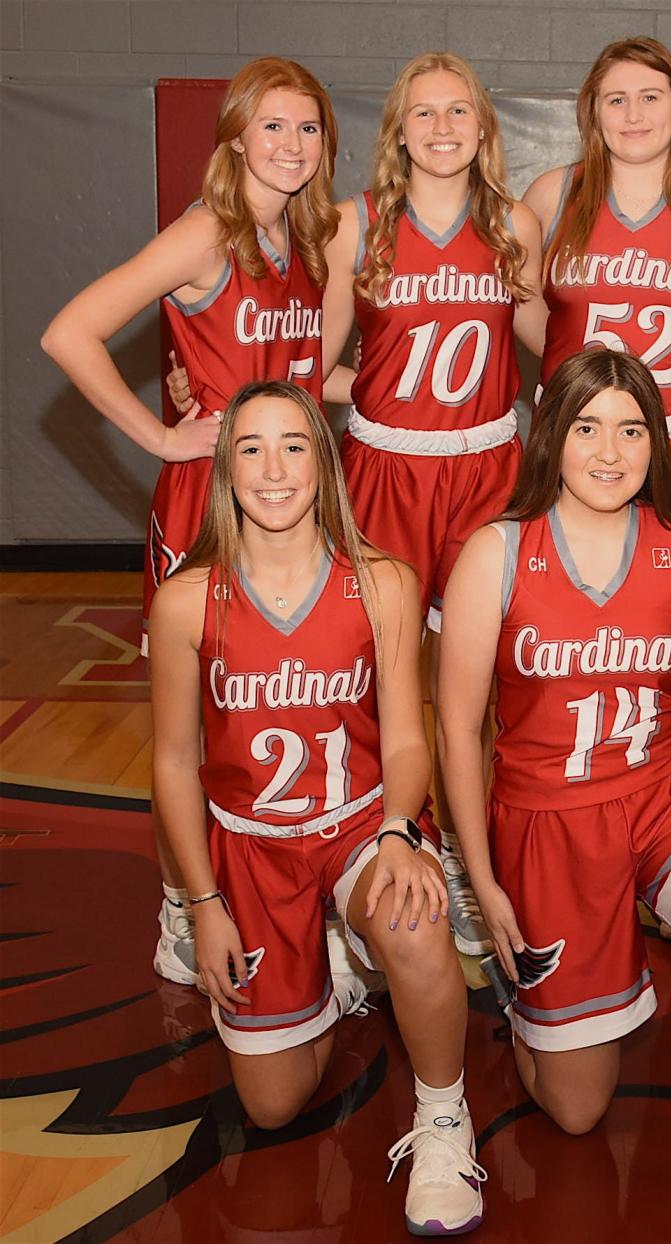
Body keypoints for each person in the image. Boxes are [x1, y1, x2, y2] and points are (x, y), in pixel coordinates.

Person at [437, 349, 671, 1239]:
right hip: (547, 818)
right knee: (575, 1111)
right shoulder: (497, 552)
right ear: (551, 436)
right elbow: (456, 730)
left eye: (632, 429)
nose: (610, 450)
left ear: (657, 442)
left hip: (668, 790)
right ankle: (531, 1006)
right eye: (588, 426)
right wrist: (480, 884)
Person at [148, 379, 485, 1236]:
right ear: (225, 470)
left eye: (294, 445)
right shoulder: (188, 600)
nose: (273, 467)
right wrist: (202, 903)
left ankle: (444, 1120)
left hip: (358, 827)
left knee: (411, 923)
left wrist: (403, 832)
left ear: (324, 465)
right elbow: (174, 765)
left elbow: (407, 740)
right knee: (272, 1105)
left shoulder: (382, 584)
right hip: (251, 852)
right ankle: (327, 969)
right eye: (250, 447)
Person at [42, 57, 340, 991]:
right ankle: (185, 906)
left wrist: (388, 394)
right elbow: (70, 331)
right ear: (237, 137)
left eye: (309, 129)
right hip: (214, 508)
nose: (291, 146)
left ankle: (292, 894)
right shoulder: (207, 232)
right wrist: (164, 439)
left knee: (278, 705)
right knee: (201, 724)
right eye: (274, 128)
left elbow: (294, 375)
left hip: (289, 501)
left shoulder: (297, 234)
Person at [325, 52, 545, 957]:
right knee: (378, 678)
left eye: (461, 113)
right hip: (384, 468)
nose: (444, 128)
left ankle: (465, 857)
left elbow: (557, 345)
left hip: (488, 468)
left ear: (483, 130)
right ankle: (382, 850)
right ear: (399, 131)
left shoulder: (513, 224)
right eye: (426, 114)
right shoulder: (356, 225)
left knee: (484, 688)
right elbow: (311, 359)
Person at [523, 37, 671, 554]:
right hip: (579, 435)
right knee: (570, 596)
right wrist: (578, 372)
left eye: (651, 97)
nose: (634, 114)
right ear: (593, 113)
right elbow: (523, 308)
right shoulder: (551, 196)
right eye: (616, 99)